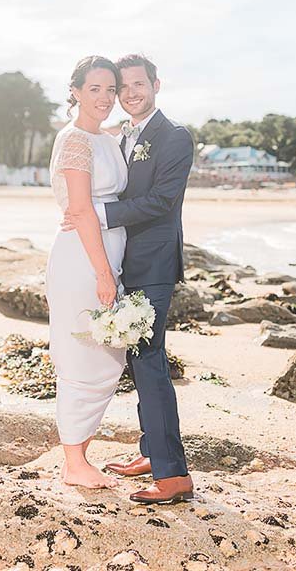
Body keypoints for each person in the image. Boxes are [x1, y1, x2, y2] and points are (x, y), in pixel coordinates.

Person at [62, 54, 195, 504]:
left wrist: (96, 213)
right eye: (124, 88)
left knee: (150, 361)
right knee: (139, 360)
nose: (130, 93)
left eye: (139, 84)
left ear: (156, 84)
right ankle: (151, 453)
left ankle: (173, 476)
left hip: (152, 265)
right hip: (120, 260)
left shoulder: (174, 136)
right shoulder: (116, 136)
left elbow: (161, 201)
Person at [45, 56, 128, 489]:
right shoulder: (75, 139)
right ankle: (74, 462)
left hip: (104, 255)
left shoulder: (107, 139)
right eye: (94, 89)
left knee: (107, 357)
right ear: (75, 91)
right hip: (82, 259)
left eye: (111, 90)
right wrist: (103, 273)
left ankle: (81, 455)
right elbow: (78, 208)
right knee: (82, 354)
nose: (105, 98)